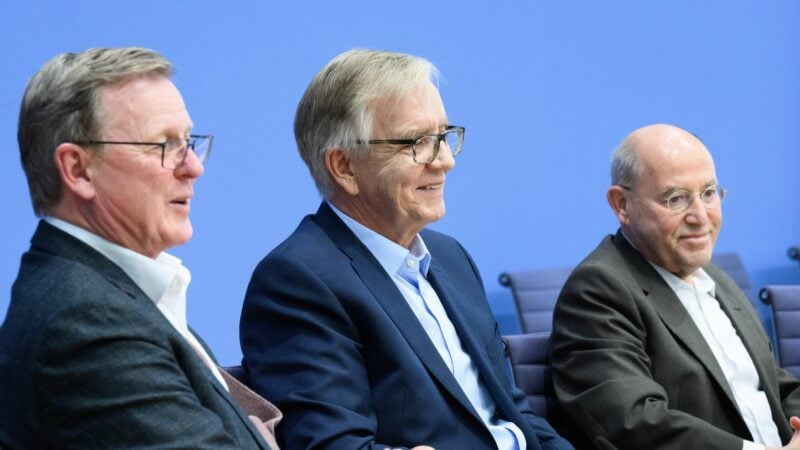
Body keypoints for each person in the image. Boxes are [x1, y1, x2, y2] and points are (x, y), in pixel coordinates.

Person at [240, 49, 573, 450]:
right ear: (344, 166)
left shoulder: (451, 258)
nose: (445, 161)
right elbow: (333, 445)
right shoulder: (297, 281)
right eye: (418, 142)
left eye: (445, 137)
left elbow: (515, 416)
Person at [0, 47, 280, 449]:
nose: (193, 167)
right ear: (79, 170)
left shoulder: (121, 298)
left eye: (189, 142)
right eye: (162, 145)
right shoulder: (86, 326)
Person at [550, 123, 800, 450]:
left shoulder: (714, 276)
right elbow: (635, 422)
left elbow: (772, 384)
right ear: (621, 205)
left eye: (709, 193)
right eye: (676, 198)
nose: (701, 216)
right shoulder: (598, 290)